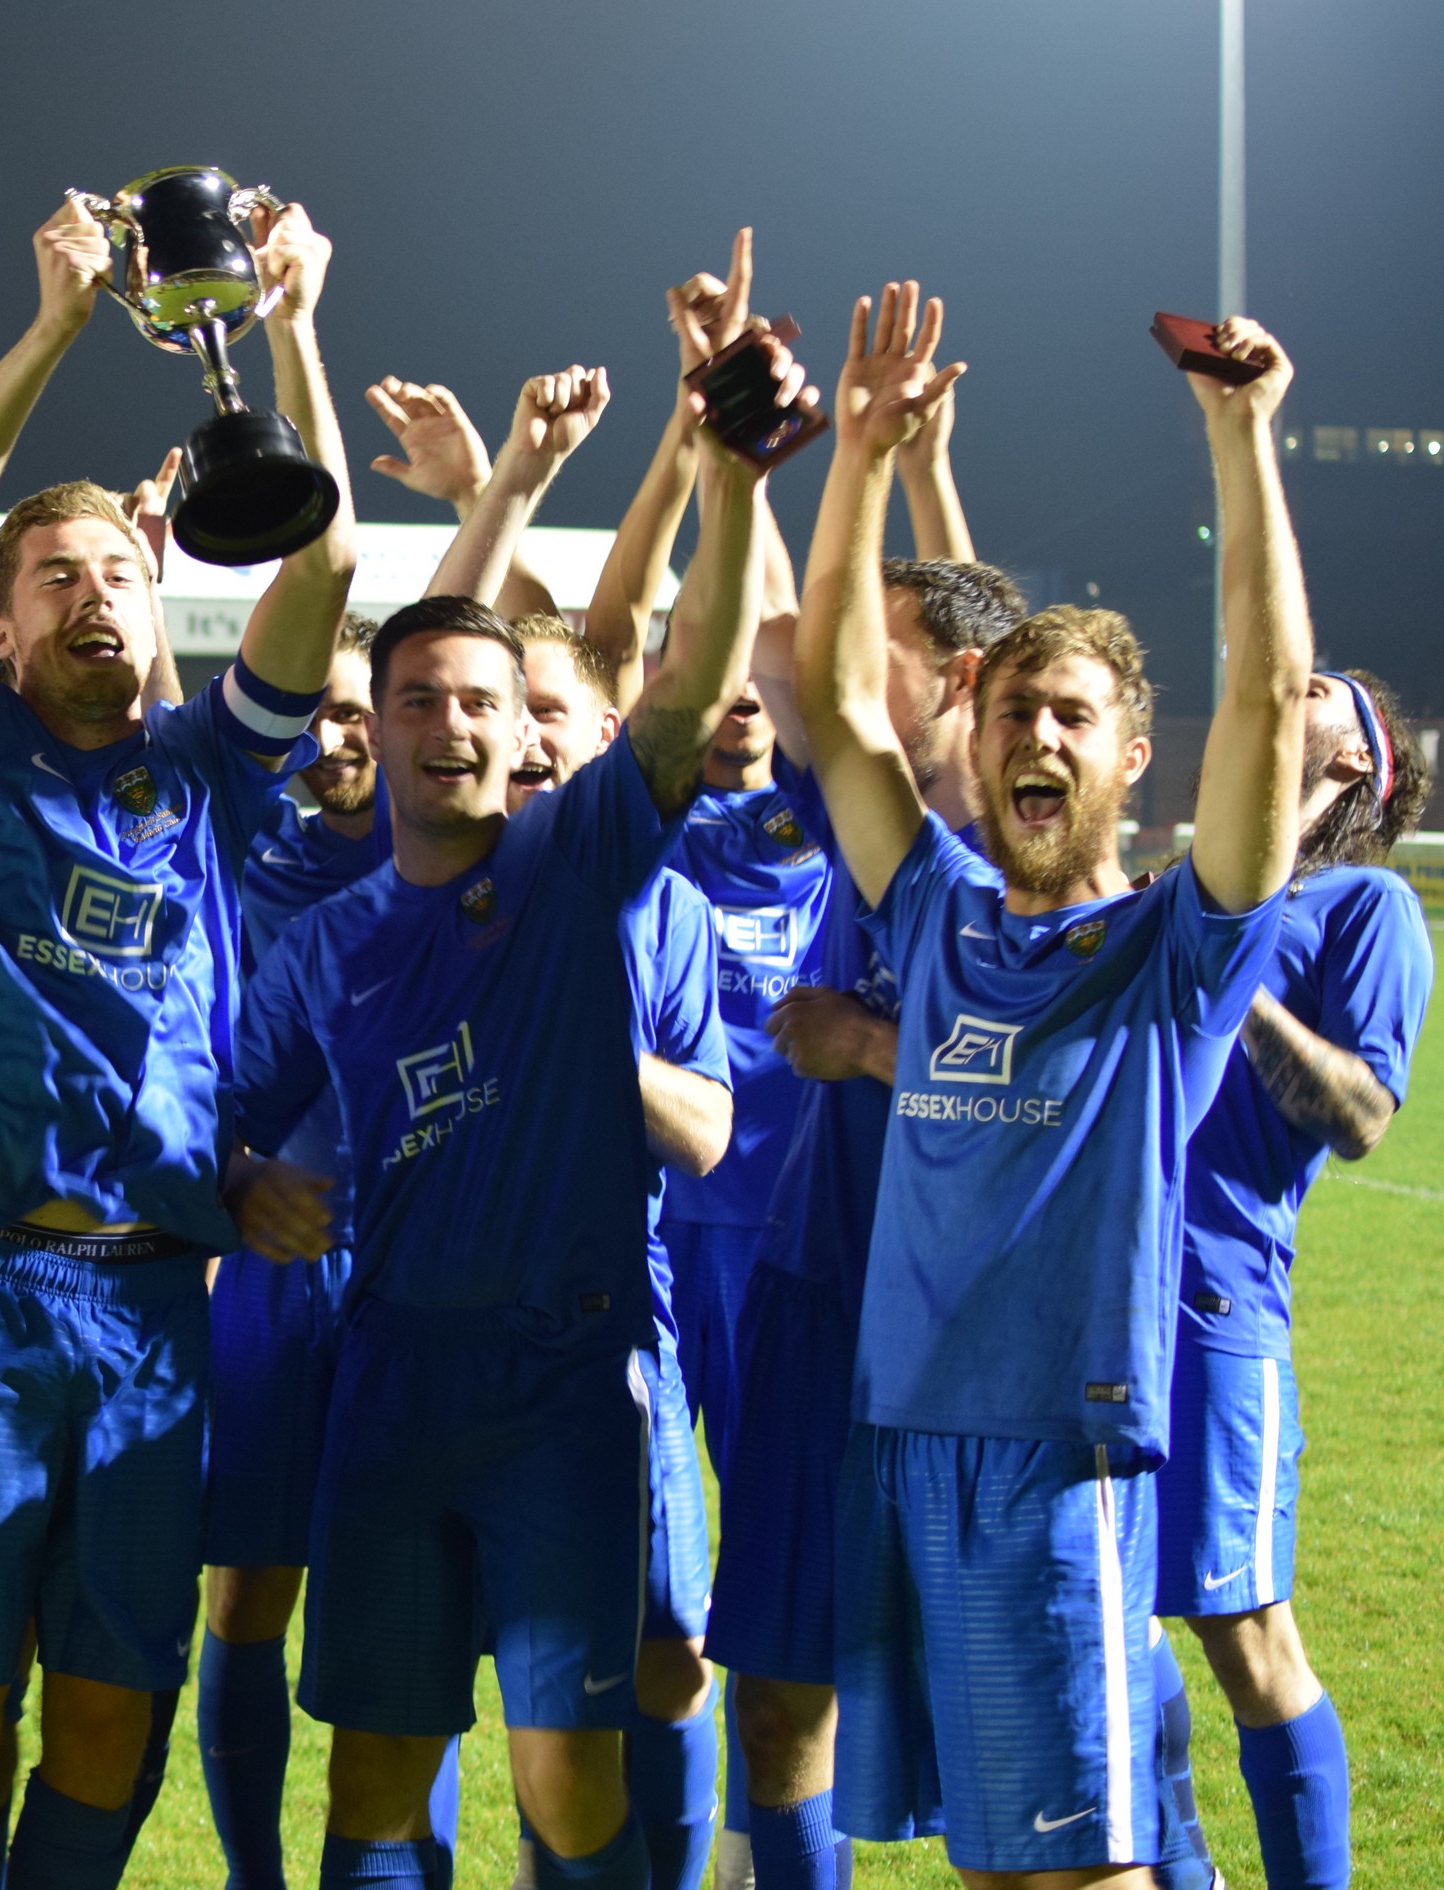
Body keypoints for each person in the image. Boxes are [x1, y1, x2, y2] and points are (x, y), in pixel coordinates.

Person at [223, 310, 776, 1890]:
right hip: (393, 1377)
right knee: (380, 1778)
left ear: (523, 728)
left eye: (487, 701)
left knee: (568, 1780)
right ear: (378, 719)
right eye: (424, 698)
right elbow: (220, 1115)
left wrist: (727, 477)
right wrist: (238, 1181)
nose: (458, 724)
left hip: (567, 1384)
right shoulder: (326, 942)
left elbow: (677, 697)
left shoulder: (573, 866)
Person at [0, 191, 358, 1890]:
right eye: (55, 575)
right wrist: (60, 322)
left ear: (164, 612)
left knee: (104, 1718)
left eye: (124, 574)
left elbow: (332, 559)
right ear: (5, 629)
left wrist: (290, 317)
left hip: (158, 1298)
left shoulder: (213, 773)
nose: (95, 594)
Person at [796, 289, 1308, 1887]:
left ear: (1130, 756)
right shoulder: (938, 911)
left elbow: (1272, 702)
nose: (1035, 733)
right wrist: (859, 459)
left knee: (1071, 1869)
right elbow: (829, 697)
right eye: (1012, 706)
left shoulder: (1175, 949)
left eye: (1072, 715)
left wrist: (1240, 436)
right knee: (1030, 1849)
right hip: (908, 1431)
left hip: (1055, 1449)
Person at [709, 537, 1023, 1890]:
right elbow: (780, 647)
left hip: (972, 1339)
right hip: (815, 1295)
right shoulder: (856, 812)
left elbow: (1076, 1086)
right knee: (779, 1698)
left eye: (871, 651)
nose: (831, 674)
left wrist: (878, 1046)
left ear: (956, 679)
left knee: (1009, 1714)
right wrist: (793, 456)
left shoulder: (1034, 853)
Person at [1161, 665, 1430, 1890]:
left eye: (1318, 683)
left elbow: (1364, 1113)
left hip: (1214, 1305)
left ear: (1359, 760)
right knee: (1104, 1618)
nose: (1287, 677)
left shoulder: (1369, 902)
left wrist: (1241, 995)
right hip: (1083, 1295)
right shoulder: (1198, 882)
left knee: (1245, 1629)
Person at [506, 613, 737, 1890]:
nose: (523, 729)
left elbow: (706, 1128)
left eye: (552, 707)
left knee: (669, 1654)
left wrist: (587, 1032)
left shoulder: (674, 910)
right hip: (454, 1329)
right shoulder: (431, 888)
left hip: (618, 1334)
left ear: (608, 742)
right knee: (473, 1682)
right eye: (506, 702)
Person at [200, 613, 387, 1890]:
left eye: (361, 709)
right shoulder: (258, 848)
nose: (338, 735)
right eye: (316, 712)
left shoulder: (460, 861)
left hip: (414, 1270)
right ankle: (256, 1876)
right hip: (277, 1263)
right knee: (248, 1594)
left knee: (398, 1614)